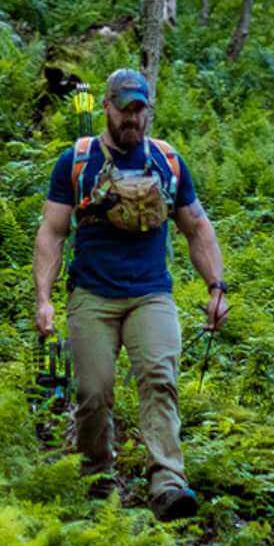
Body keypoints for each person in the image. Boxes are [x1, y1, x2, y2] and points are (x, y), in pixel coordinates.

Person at [32, 68, 230, 521]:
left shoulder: (167, 162)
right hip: (92, 295)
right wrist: (44, 298)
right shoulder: (76, 162)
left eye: (139, 110)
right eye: (124, 109)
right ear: (107, 107)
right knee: (93, 392)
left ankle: (167, 482)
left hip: (150, 294)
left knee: (160, 378)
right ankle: (97, 477)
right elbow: (52, 232)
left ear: (147, 111)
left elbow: (196, 226)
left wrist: (216, 287)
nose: (131, 119)